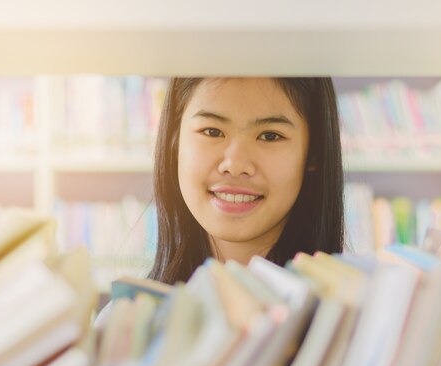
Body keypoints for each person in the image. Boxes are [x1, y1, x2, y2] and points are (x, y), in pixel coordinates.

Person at [148, 77, 345, 284]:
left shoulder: (362, 313)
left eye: (270, 136)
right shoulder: (129, 313)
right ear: (174, 141)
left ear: (313, 152)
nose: (235, 165)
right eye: (212, 132)